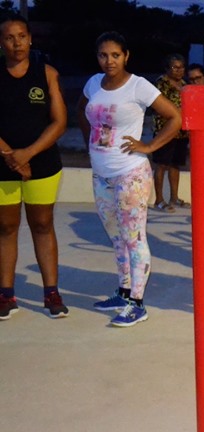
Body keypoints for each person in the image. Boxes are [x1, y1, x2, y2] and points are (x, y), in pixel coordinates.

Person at [78, 31, 181, 327]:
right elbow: (81, 112)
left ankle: (137, 303)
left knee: (134, 238)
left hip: (130, 174)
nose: (109, 61)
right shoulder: (93, 83)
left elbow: (174, 117)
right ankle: (123, 292)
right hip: (101, 174)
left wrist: (148, 146)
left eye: (115, 55)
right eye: (103, 55)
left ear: (126, 56)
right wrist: (91, 143)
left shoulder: (138, 86)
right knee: (116, 237)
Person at [0, 13, 68, 320]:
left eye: (21, 36)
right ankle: (6, 294)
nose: (16, 43)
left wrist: (27, 154)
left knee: (42, 225)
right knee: (6, 227)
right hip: (2, 164)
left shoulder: (47, 73)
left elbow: (59, 122)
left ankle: (51, 292)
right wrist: (11, 156)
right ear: (1, 43)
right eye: (9, 38)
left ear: (30, 38)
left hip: (42, 163)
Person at [151, 53, 189, 213]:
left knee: (175, 165)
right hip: (164, 131)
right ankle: (159, 199)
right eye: (175, 67)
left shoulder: (185, 84)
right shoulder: (161, 84)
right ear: (167, 68)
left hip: (181, 132)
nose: (178, 71)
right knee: (161, 164)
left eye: (181, 67)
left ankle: (175, 197)